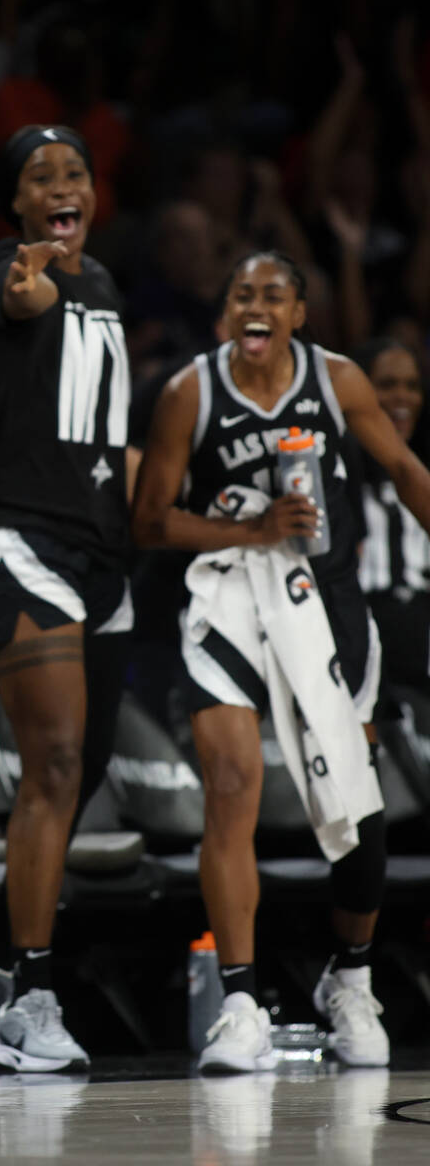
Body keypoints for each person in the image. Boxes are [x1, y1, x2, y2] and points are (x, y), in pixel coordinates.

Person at [132, 250, 430, 1072]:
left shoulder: (337, 381)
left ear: (300, 313)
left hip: (325, 606)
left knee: (355, 805)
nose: (255, 306)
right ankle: (238, 1003)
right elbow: (151, 522)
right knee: (231, 788)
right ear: (225, 311)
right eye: (241, 294)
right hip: (229, 593)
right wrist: (248, 532)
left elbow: (405, 469)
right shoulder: (190, 391)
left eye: (273, 295)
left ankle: (353, 979)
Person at [0, 124, 133, 1072]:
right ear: (14, 203)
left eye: (74, 174)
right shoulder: (4, 272)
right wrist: (31, 277)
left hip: (103, 555)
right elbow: (26, 295)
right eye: (38, 178)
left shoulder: (107, 288)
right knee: (51, 764)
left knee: (83, 770)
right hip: (18, 538)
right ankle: (30, 1000)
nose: (60, 188)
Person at [355, 338, 430, 699]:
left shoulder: (423, 470)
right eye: (386, 385)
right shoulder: (334, 470)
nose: (402, 397)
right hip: (361, 651)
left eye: (412, 386)